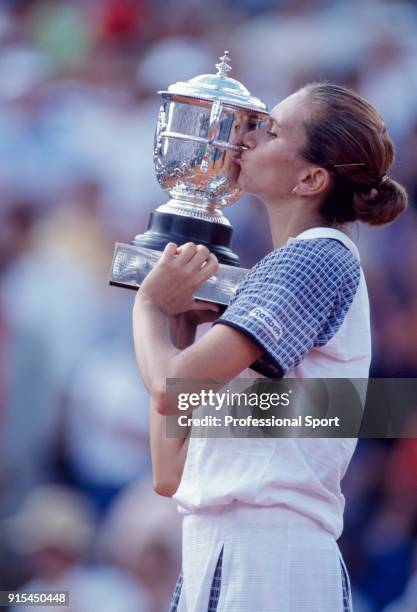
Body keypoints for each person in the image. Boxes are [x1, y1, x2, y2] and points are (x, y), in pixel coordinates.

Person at [132, 83, 408, 612]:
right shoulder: (278, 272)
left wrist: (147, 307)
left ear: (310, 178)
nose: (246, 138)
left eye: (271, 130)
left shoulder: (317, 256)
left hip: (267, 560)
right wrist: (179, 325)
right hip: (219, 553)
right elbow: (171, 474)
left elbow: (172, 389)